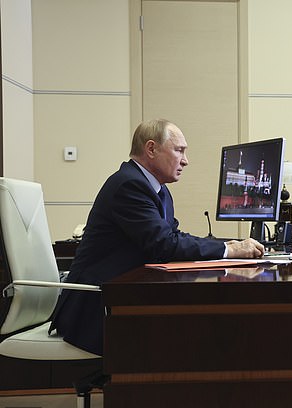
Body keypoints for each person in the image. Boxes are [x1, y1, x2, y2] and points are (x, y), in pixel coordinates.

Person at [50, 118, 265, 356]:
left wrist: (225, 246)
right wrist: (229, 251)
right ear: (151, 149)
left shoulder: (157, 189)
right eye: (179, 150)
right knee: (191, 341)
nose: (185, 160)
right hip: (95, 310)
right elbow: (165, 245)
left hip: (121, 299)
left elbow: (171, 236)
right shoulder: (129, 185)